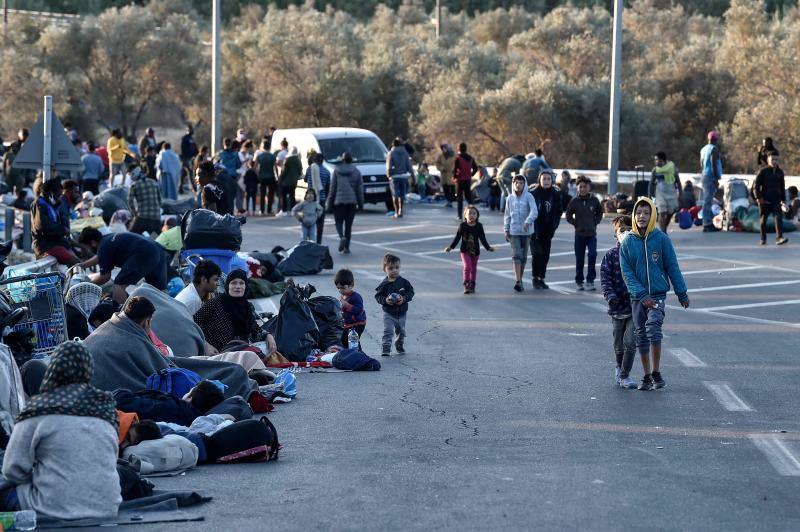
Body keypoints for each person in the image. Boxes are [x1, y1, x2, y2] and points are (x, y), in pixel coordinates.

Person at [0, 341, 122, 519]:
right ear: (89, 369)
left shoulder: (38, 409)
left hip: (51, 510)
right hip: (107, 507)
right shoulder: (106, 408)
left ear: (52, 369)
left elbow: (13, 470)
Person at [620, 197, 690, 391]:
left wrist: (681, 293)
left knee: (653, 329)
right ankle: (647, 374)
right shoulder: (628, 243)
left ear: (653, 215)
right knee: (640, 334)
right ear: (633, 215)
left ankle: (657, 371)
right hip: (638, 298)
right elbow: (627, 274)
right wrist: (641, 294)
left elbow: (672, 267)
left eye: (646, 212)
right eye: (638, 213)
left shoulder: (661, 240)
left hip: (657, 295)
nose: (642, 216)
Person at [193, 269, 276, 352]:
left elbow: (255, 330)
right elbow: (192, 324)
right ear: (227, 286)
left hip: (239, 352)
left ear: (245, 286)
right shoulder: (215, 303)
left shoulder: (247, 307)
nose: (238, 286)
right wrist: (206, 344)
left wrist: (268, 336)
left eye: (241, 283)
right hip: (215, 355)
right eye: (234, 283)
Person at [78, 228, 168, 304]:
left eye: (85, 248)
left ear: (92, 243)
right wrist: (82, 265)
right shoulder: (107, 239)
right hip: (157, 249)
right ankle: (170, 312)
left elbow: (105, 277)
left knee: (118, 285)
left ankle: (124, 318)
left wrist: (85, 286)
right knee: (159, 291)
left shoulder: (103, 247)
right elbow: (99, 257)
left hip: (143, 253)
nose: (85, 251)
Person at [600, 216, 638, 390]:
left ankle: (625, 374)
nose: (626, 233)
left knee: (630, 341)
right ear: (615, 235)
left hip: (635, 306)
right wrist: (610, 296)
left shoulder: (637, 254)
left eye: (629, 230)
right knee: (618, 343)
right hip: (617, 307)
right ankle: (619, 366)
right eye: (621, 231)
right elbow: (605, 278)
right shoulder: (611, 256)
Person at [445, 205, 494, 294]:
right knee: (467, 267)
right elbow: (457, 237)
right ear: (465, 215)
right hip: (465, 251)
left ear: (477, 216)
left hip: (475, 251)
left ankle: (472, 284)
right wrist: (451, 247)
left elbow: (482, 238)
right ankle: (466, 284)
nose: (472, 215)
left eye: (474, 213)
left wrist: (488, 248)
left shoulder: (479, 226)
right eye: (470, 213)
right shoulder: (462, 225)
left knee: (473, 268)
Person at [31, 178, 80, 266]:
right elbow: (42, 226)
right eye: (59, 194)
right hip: (45, 246)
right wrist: (63, 230)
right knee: (75, 263)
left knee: (78, 259)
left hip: (56, 243)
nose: (60, 197)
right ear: (50, 193)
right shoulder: (39, 204)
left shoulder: (53, 204)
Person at [565, 176, 603, 291]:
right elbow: (568, 215)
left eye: (585, 187)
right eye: (580, 187)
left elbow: (600, 213)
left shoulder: (594, 200)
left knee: (592, 255)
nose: (582, 189)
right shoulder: (574, 201)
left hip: (591, 235)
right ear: (577, 188)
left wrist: (595, 222)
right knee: (580, 259)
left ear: (589, 187)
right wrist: (575, 223)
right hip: (579, 235)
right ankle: (579, 280)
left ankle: (590, 280)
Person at [504, 174, 538, 292]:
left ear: (525, 184)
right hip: (514, 231)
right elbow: (507, 215)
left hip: (526, 231)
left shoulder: (529, 196)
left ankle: (520, 279)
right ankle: (518, 281)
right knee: (516, 255)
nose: (518, 185)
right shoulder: (510, 198)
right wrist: (506, 229)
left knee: (523, 257)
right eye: (516, 183)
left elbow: (534, 211)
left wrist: (528, 222)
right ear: (513, 184)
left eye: (521, 183)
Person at [375, 254, 414, 356]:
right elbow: (378, 297)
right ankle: (386, 348)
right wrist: (386, 300)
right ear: (385, 269)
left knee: (401, 331)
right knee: (388, 330)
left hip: (401, 313)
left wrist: (404, 299)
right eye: (391, 268)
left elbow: (411, 293)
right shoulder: (384, 284)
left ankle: (399, 344)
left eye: (397, 267)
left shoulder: (404, 282)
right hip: (388, 313)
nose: (394, 270)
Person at [327, 152, 364, 255]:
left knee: (338, 222)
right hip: (351, 202)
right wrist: (361, 204)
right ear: (351, 160)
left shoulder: (336, 171)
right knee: (348, 226)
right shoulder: (356, 171)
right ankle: (346, 248)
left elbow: (332, 188)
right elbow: (359, 189)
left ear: (342, 160)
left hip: (339, 201)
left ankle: (341, 237)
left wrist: (329, 204)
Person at [531, 170, 562, 289]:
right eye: (544, 179)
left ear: (552, 181)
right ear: (539, 180)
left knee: (545, 255)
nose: (546, 181)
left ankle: (541, 278)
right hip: (535, 229)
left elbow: (559, 211)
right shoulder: (533, 193)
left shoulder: (555, 194)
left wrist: (555, 226)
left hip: (548, 230)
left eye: (549, 179)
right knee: (537, 254)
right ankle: (535, 277)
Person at [753, 151, 788, 246]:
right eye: (772, 159)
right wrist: (758, 197)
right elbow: (755, 186)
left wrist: (783, 200)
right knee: (763, 221)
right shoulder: (762, 172)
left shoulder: (780, 172)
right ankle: (763, 239)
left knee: (778, 218)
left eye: (776, 159)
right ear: (768, 160)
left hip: (776, 200)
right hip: (764, 201)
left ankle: (779, 238)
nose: (774, 161)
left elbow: (782, 187)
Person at [650, 152, 681, 232]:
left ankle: (664, 228)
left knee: (671, 211)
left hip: (671, 193)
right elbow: (651, 183)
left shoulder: (672, 168)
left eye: (657, 160)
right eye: (655, 160)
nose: (655, 162)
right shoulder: (655, 170)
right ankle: (663, 232)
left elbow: (678, 181)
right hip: (660, 194)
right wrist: (650, 194)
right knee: (662, 211)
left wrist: (681, 193)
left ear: (662, 160)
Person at [335, 269, 366, 348]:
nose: (340, 290)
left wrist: (347, 305)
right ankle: (348, 354)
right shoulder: (344, 295)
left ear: (351, 285)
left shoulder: (356, 297)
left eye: (343, 288)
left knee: (353, 341)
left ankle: (359, 355)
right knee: (344, 340)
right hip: (348, 324)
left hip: (357, 323)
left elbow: (359, 309)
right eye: (338, 288)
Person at [128, 166, 162, 235]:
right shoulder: (153, 182)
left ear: (134, 174)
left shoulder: (134, 185)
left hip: (142, 217)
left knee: (132, 236)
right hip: (156, 218)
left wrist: (135, 214)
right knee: (157, 239)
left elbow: (130, 202)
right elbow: (160, 200)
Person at [700, 131, 723, 232]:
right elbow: (714, 164)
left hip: (704, 175)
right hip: (710, 176)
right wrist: (717, 178)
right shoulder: (714, 149)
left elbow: (701, 163)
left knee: (707, 200)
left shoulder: (703, 149)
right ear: (716, 139)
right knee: (708, 201)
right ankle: (707, 224)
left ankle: (708, 222)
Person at [305, 153, 330, 243]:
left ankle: (309, 240)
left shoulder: (310, 169)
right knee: (320, 222)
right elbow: (327, 187)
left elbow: (305, 179)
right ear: (322, 161)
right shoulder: (326, 172)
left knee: (309, 221)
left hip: (310, 200)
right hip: (321, 200)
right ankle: (318, 241)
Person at [386, 138, 414, 218]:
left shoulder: (391, 152)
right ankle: (400, 210)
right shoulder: (405, 152)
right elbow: (409, 165)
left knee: (395, 195)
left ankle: (396, 212)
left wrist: (389, 175)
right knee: (402, 195)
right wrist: (412, 175)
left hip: (394, 177)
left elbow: (389, 166)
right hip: (404, 176)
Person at [453, 143, 478, 221]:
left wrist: (455, 177)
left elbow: (455, 170)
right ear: (466, 149)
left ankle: (459, 215)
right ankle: (474, 213)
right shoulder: (471, 158)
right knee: (469, 198)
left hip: (460, 181)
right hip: (468, 180)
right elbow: (476, 168)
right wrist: (471, 174)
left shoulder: (458, 158)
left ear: (459, 149)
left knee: (460, 199)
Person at [255, 140, 277, 215]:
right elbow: (275, 168)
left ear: (262, 147)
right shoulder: (273, 156)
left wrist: (257, 175)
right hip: (271, 177)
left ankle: (262, 210)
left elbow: (255, 167)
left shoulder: (259, 156)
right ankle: (269, 210)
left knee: (262, 194)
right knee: (270, 194)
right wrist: (277, 176)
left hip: (262, 177)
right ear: (269, 147)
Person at [278, 146, 302, 216]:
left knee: (284, 196)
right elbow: (300, 170)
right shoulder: (298, 160)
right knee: (292, 196)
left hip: (286, 181)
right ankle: (293, 210)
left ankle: (284, 211)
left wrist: (280, 178)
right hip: (294, 181)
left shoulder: (287, 159)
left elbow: (284, 171)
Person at [435, 143, 456, 208]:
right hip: (444, 174)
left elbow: (457, 163)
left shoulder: (454, 155)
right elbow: (437, 163)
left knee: (452, 188)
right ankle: (448, 201)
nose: (443, 150)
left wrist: (454, 169)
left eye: (444, 148)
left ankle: (451, 200)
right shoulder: (440, 156)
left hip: (451, 174)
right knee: (445, 188)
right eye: (442, 149)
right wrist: (441, 168)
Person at [180, 125, 199, 192]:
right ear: (188, 130)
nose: (192, 131)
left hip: (190, 158)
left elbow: (195, 148)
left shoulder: (191, 138)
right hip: (186, 158)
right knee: (191, 172)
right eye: (191, 129)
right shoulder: (185, 138)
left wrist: (197, 154)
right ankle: (194, 188)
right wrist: (186, 157)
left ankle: (180, 188)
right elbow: (183, 149)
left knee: (184, 173)